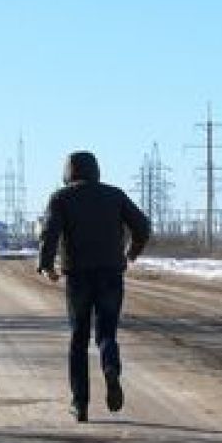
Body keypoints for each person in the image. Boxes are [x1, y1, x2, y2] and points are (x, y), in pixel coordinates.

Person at [38, 150, 151, 422]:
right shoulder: (115, 195)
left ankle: (80, 404)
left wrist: (46, 265)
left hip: (78, 276)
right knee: (106, 333)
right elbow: (142, 225)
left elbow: (50, 232)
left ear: (69, 172)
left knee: (79, 338)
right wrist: (132, 252)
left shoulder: (62, 198)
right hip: (111, 274)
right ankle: (110, 368)